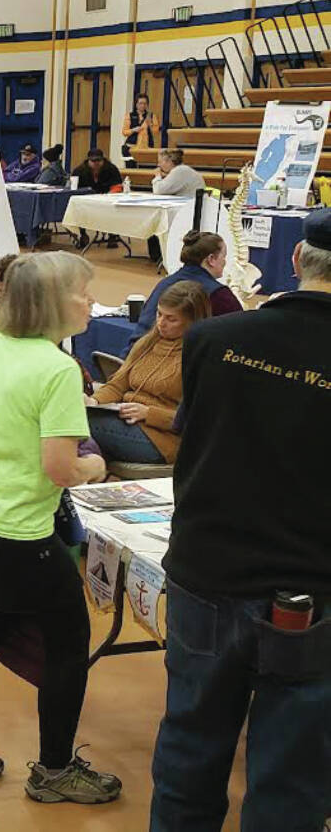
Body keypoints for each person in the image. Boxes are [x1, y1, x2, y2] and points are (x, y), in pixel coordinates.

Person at [148, 209, 331, 832]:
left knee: (188, 752)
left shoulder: (211, 341)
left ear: (298, 260)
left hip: (206, 575)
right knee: (290, 775)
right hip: (309, 596)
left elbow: (199, 441)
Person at [0, 252, 122, 805]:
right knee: (67, 644)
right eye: (83, 293)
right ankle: (56, 770)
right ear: (53, 302)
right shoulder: (57, 371)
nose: (90, 302)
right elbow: (61, 468)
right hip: (19, 535)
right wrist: (95, 467)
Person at [85, 280, 206, 466]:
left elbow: (197, 419)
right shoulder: (147, 342)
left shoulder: (199, 356)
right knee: (75, 416)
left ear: (192, 321)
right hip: (128, 420)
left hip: (165, 439)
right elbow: (118, 384)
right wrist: (95, 401)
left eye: (171, 319)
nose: (160, 323)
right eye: (159, 314)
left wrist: (149, 413)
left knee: (76, 423)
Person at [135, 231, 242, 339]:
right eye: (224, 256)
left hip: (135, 351)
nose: (225, 262)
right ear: (211, 259)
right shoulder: (219, 295)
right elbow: (240, 331)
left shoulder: (164, 283)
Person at [122, 93, 157, 164]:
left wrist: (150, 124)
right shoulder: (130, 115)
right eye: (140, 103)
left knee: (145, 166)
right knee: (130, 167)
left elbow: (155, 131)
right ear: (136, 104)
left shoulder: (151, 116)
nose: (143, 105)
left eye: (145, 103)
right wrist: (133, 130)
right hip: (131, 146)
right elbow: (124, 132)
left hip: (146, 146)